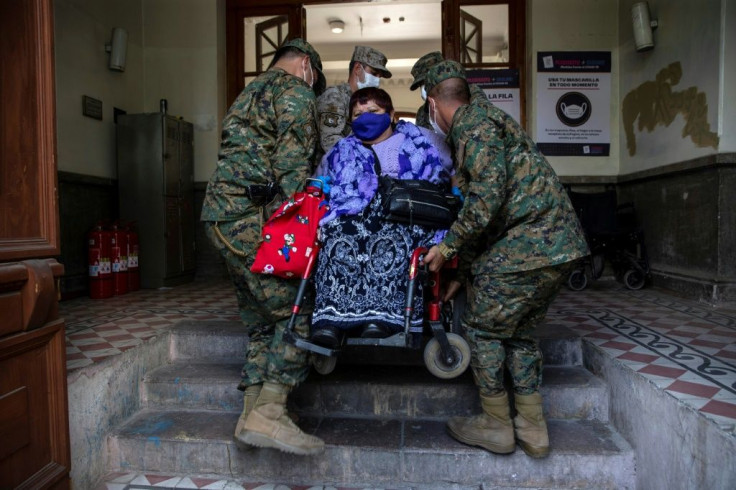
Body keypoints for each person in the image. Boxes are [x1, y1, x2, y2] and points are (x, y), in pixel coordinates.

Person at [422, 61, 589, 458]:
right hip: (557, 245)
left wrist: (447, 248)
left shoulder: (472, 125)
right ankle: (533, 428)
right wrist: (463, 270)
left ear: (433, 105)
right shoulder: (489, 118)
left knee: (482, 328)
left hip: (529, 243)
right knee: (518, 332)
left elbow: (486, 200)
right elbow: (492, 212)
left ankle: (496, 424)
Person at [200, 38, 326, 456]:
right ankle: (271, 413)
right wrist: (299, 232)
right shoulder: (296, 92)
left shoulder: (247, 93)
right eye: (315, 78)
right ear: (305, 65)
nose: (314, 85)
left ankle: (249, 415)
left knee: (261, 319)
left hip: (219, 216)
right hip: (249, 220)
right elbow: (291, 171)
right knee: (297, 310)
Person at [310, 87, 451, 348]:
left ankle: (381, 320)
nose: (365, 117)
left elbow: (444, 186)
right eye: (358, 113)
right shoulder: (340, 150)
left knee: (387, 237)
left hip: (404, 218)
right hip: (352, 217)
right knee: (336, 236)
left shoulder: (420, 143)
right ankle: (332, 322)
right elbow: (323, 187)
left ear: (391, 113)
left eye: (372, 111)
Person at [316, 45, 392, 158]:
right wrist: (362, 159)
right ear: (357, 69)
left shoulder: (368, 102)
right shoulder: (335, 96)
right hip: (335, 168)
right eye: (374, 73)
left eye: (379, 77)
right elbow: (330, 140)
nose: (377, 80)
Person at [410, 51, 494, 130]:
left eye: (427, 82)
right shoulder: (423, 112)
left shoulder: (468, 93)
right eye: (420, 84)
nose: (424, 88)